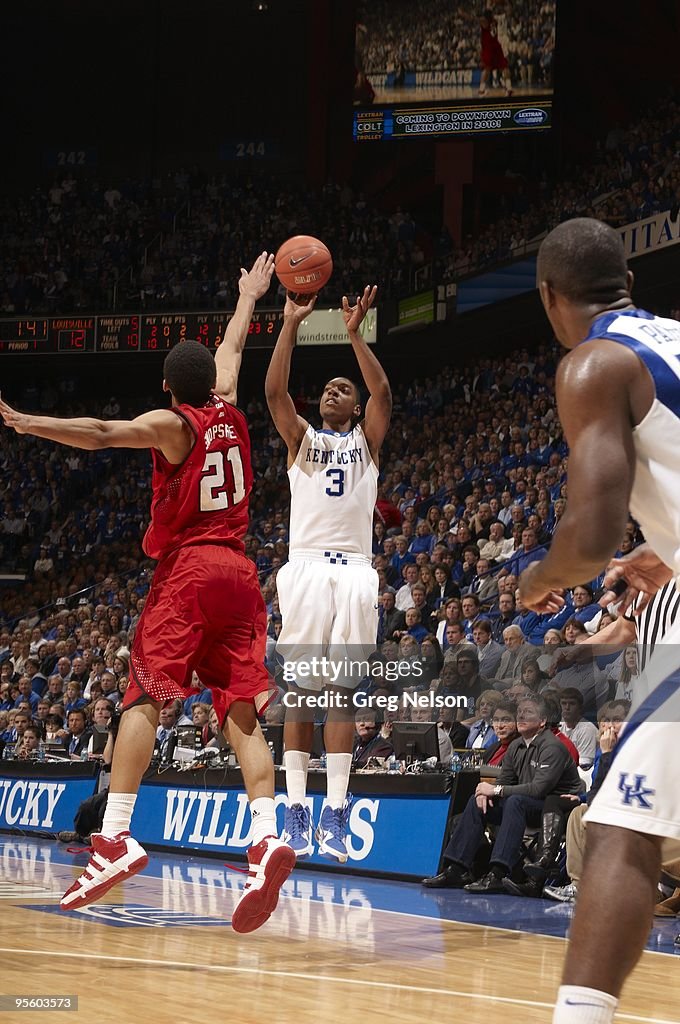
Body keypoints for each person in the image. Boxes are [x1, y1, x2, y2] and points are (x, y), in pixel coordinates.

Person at [0, 252, 295, 935]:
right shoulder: (227, 405)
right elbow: (229, 351)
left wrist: (27, 423)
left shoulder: (176, 424)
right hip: (240, 575)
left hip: (190, 575)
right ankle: (267, 836)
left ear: (167, 387)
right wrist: (250, 297)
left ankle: (116, 837)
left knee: (144, 695)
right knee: (240, 710)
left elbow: (105, 434)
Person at [517, 217, 680, 1023]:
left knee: (621, 824)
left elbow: (588, 540)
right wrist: (668, 549)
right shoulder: (674, 340)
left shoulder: (593, 363)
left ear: (550, 297)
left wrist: (538, 580)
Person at [265, 285, 391, 863]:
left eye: (343, 388)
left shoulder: (367, 444)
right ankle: (295, 811)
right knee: (300, 692)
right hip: (309, 569)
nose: (331, 391)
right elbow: (273, 392)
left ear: (357, 407)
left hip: (357, 573)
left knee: (341, 690)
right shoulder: (302, 441)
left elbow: (383, 390)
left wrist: (354, 335)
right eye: (327, 388)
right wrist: (290, 325)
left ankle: (335, 812)